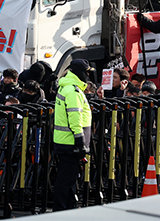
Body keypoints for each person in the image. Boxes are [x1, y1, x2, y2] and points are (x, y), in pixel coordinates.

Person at [52, 59, 92, 211]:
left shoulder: (66, 87)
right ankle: (62, 209)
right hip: (70, 143)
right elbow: (75, 118)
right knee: (66, 180)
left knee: (66, 179)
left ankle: (67, 207)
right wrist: (80, 141)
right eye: (87, 72)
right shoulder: (73, 91)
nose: (88, 76)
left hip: (63, 141)